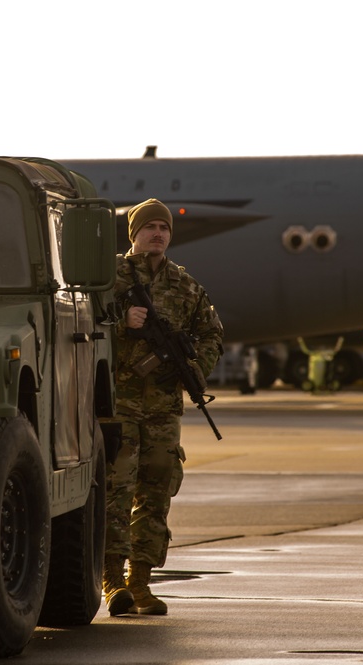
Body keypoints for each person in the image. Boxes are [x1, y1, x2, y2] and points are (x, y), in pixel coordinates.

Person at [104, 198, 224, 616]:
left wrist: (194, 369)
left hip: (163, 407)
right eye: (149, 227)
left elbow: (212, 333)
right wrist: (122, 320)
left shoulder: (184, 285)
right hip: (118, 402)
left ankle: (141, 583)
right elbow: (75, 322)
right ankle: (111, 580)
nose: (157, 233)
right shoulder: (108, 277)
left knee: (157, 491)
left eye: (164, 228)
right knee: (116, 491)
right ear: (133, 233)